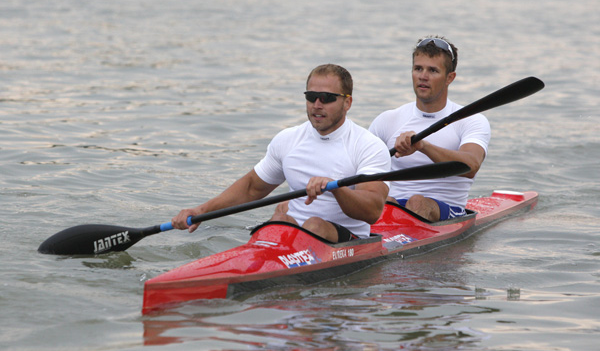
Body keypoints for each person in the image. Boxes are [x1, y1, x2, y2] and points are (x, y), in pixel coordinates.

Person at [171, 64, 391, 243]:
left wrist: (336, 188)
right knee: (277, 220)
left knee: (314, 224)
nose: (316, 105)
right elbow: (251, 188)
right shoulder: (288, 139)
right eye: (311, 96)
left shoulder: (368, 146)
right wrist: (200, 210)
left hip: (349, 241)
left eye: (326, 98)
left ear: (347, 102)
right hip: (296, 235)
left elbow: (372, 211)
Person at [369, 36, 491, 222]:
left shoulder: (471, 120)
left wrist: (422, 146)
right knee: (383, 201)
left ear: (450, 78)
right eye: (418, 69)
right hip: (393, 206)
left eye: (433, 70)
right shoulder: (387, 120)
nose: (423, 76)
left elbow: (471, 166)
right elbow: (361, 169)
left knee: (417, 202)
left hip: (446, 210)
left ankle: (401, 244)